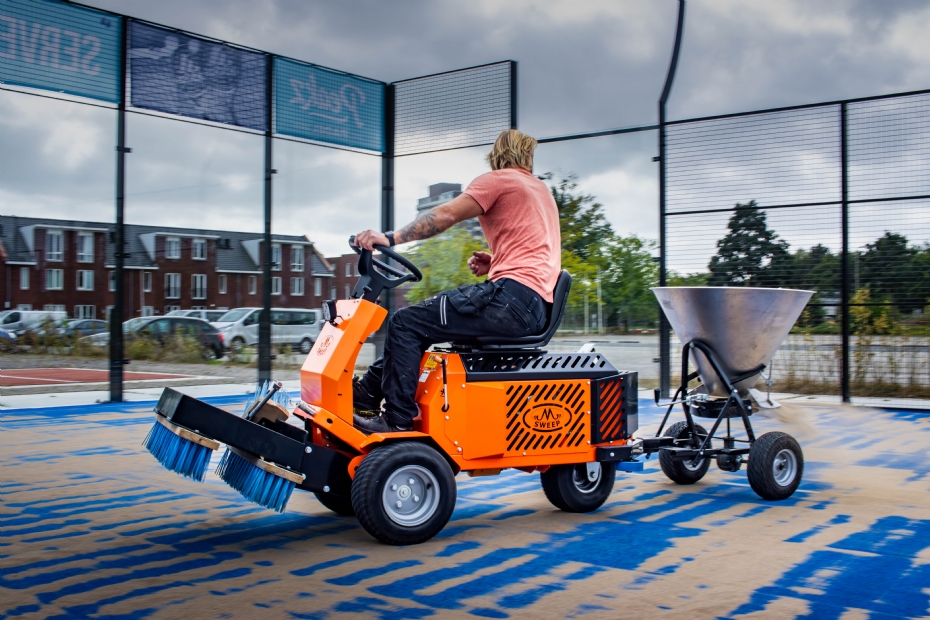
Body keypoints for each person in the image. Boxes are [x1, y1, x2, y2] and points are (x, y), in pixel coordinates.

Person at [352, 129, 561, 433]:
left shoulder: (500, 179)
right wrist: (496, 261)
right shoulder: (540, 191)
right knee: (420, 327)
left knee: (405, 323)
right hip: (533, 305)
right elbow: (539, 252)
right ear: (528, 157)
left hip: (510, 300)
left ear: (497, 155)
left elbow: (448, 214)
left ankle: (396, 421)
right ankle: (369, 391)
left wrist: (390, 238)